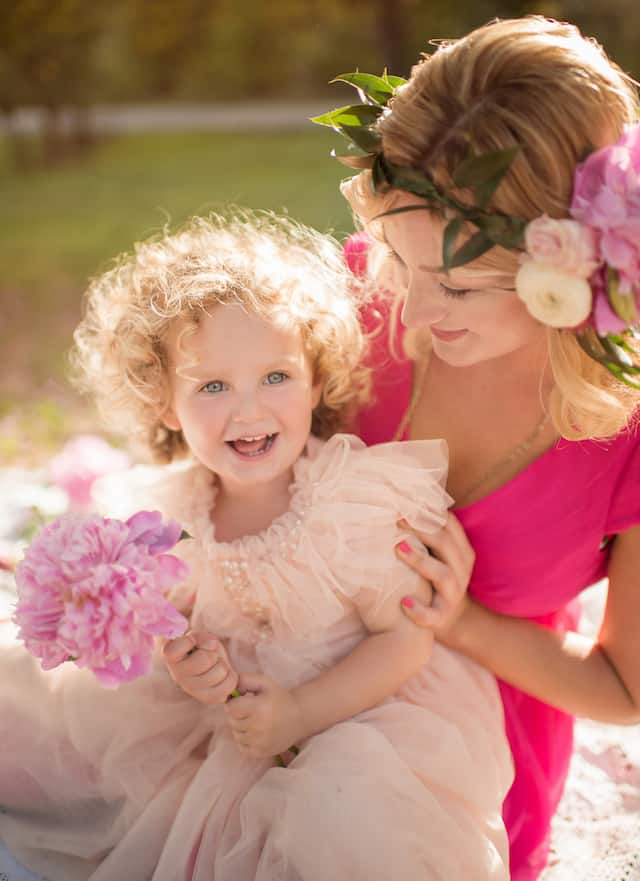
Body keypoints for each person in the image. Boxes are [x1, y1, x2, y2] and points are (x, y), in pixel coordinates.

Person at [0, 211, 513, 881]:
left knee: (345, 818)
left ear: (316, 379)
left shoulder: (350, 505)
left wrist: (300, 712)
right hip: (221, 729)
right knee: (31, 703)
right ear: (165, 404)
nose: (248, 410)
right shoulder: (170, 517)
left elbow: (407, 640)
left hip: (355, 715)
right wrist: (191, 669)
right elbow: (176, 631)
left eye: (276, 376)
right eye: (212, 386)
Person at [329, 15, 640, 881]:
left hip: (478, 761)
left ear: (572, 265)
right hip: (287, 666)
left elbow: (625, 687)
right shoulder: (363, 296)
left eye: (459, 287)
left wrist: (460, 619)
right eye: (402, 260)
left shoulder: (627, 432)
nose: (414, 311)